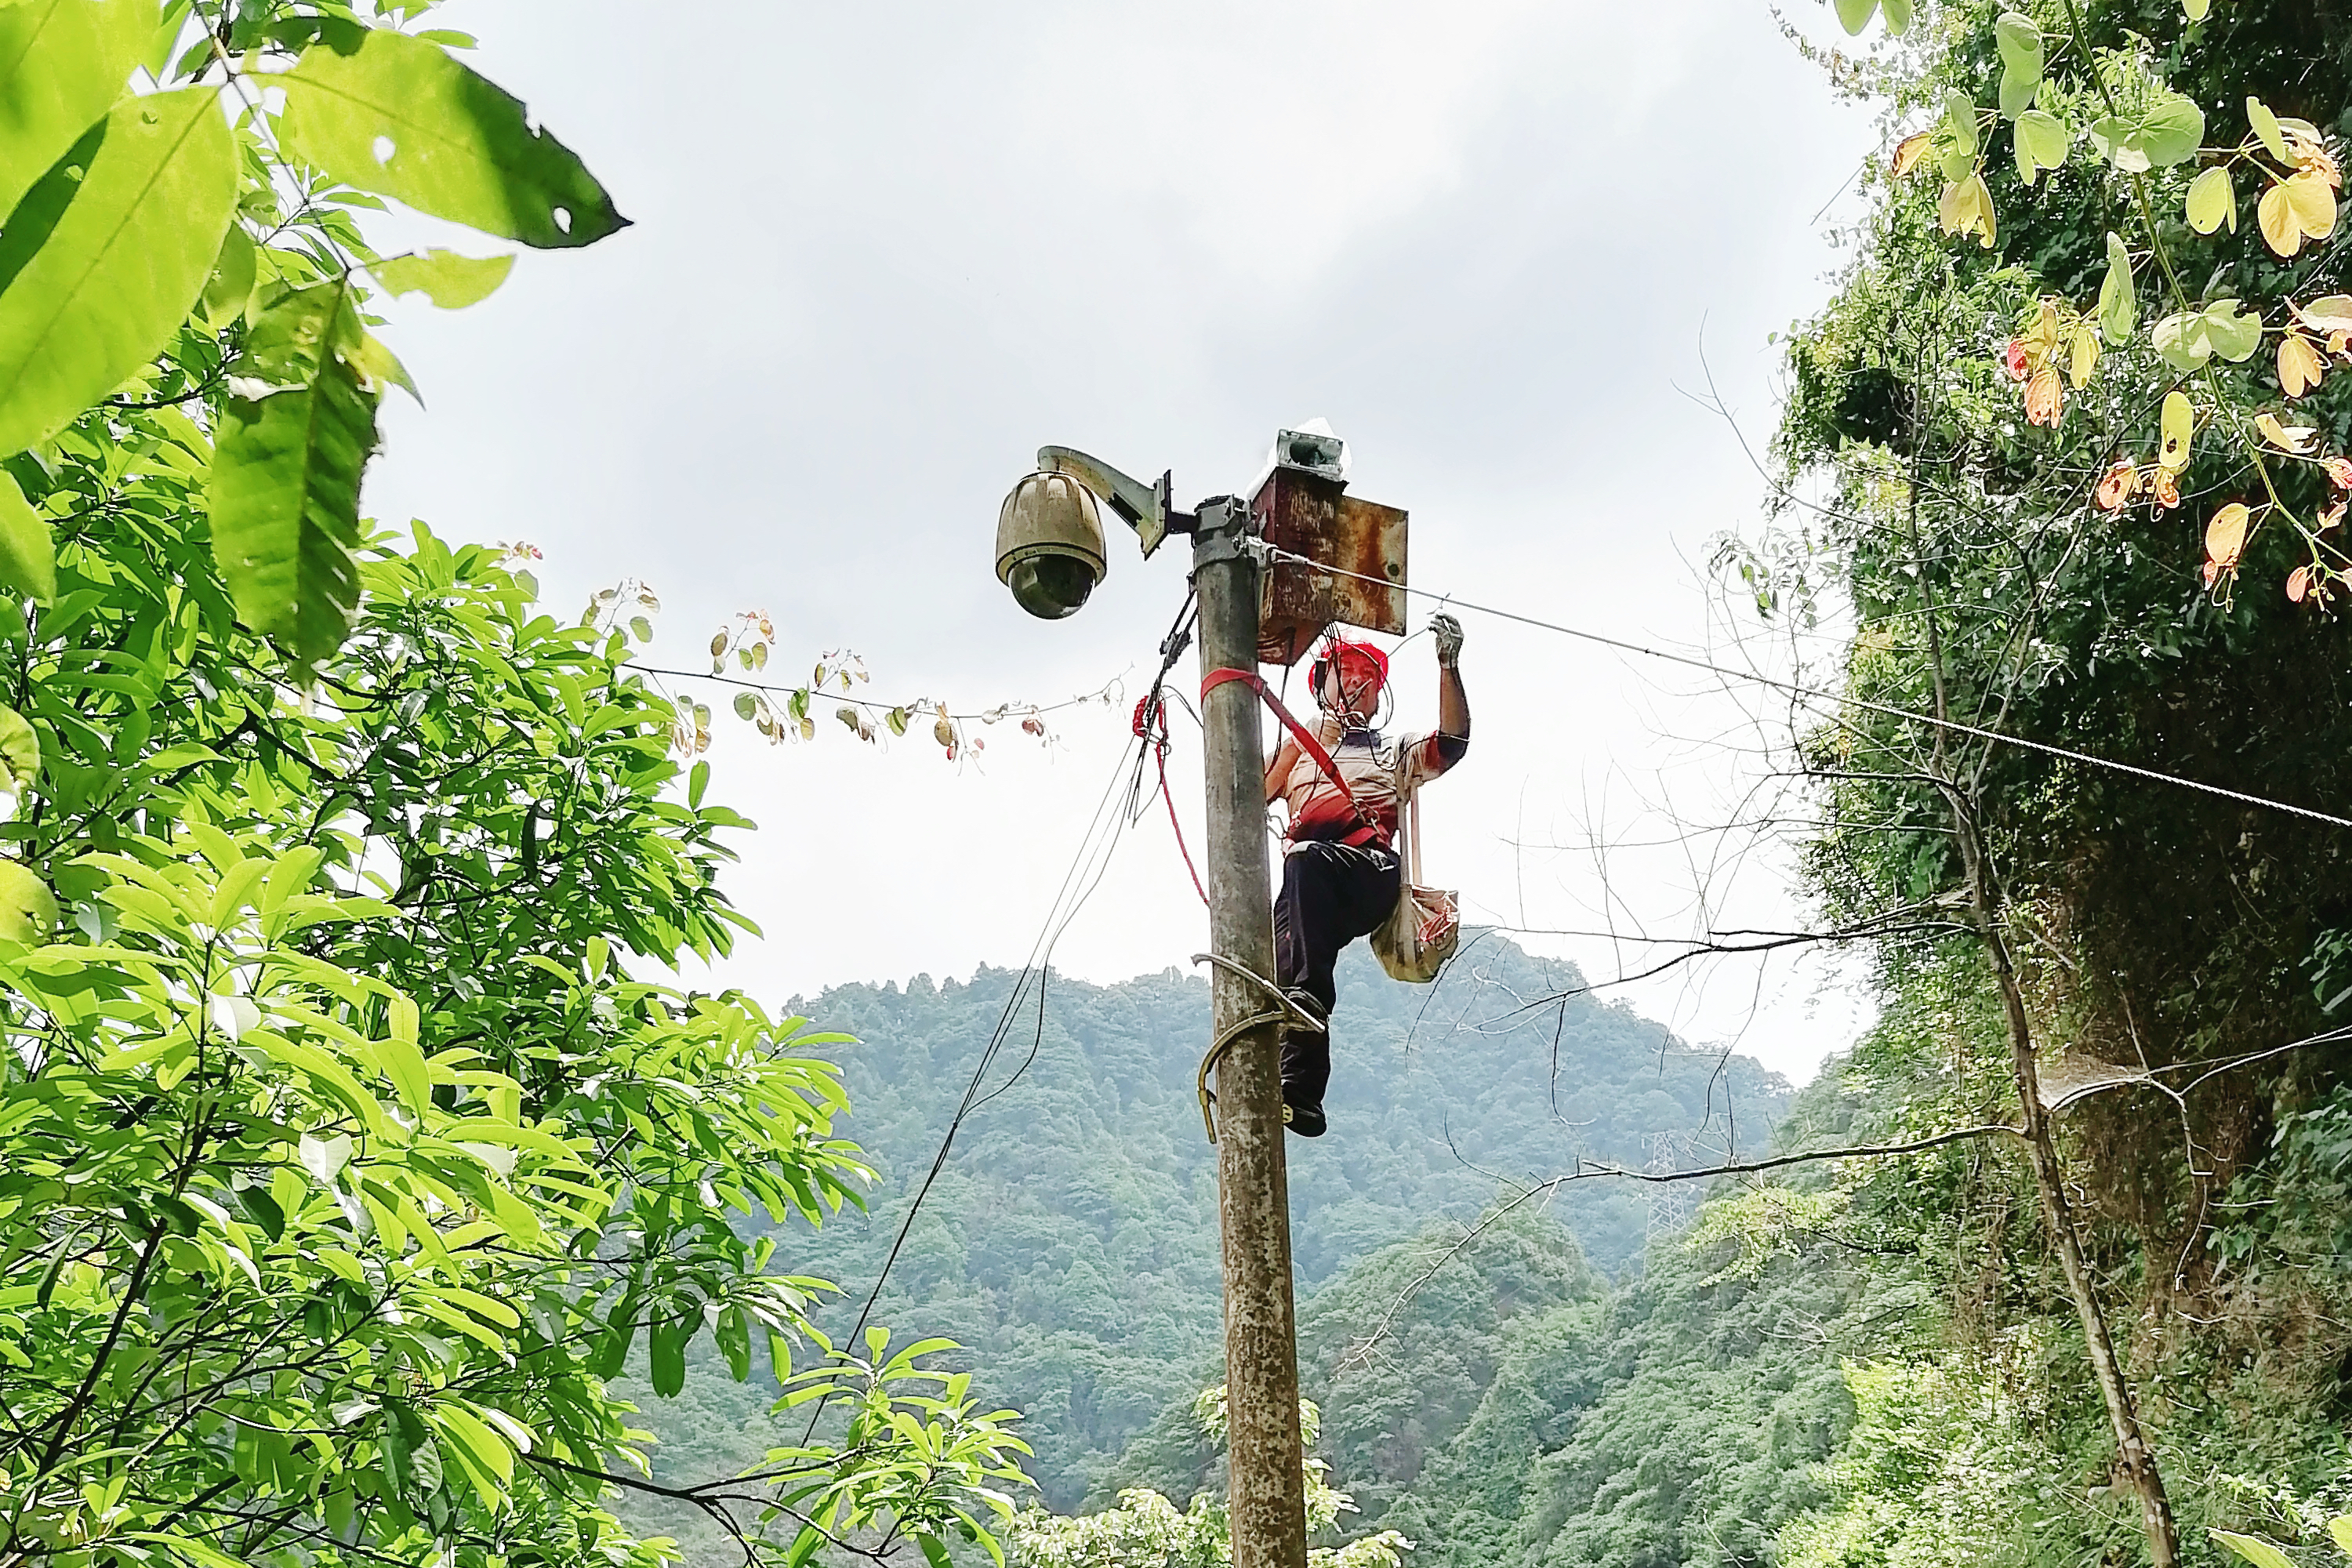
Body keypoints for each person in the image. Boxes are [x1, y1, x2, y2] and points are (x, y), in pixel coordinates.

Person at [1263, 613, 1468, 1136]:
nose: (1356, 685)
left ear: (1379, 697)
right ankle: (1299, 1091)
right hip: (1311, 883)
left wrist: (1448, 666)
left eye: (1367, 679)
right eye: (1344, 674)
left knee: (1304, 861)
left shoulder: (1390, 750)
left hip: (1367, 872)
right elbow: (1248, 794)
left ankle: (1306, 999)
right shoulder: (1298, 749)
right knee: (1276, 951)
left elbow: (1451, 744)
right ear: (1322, 685)